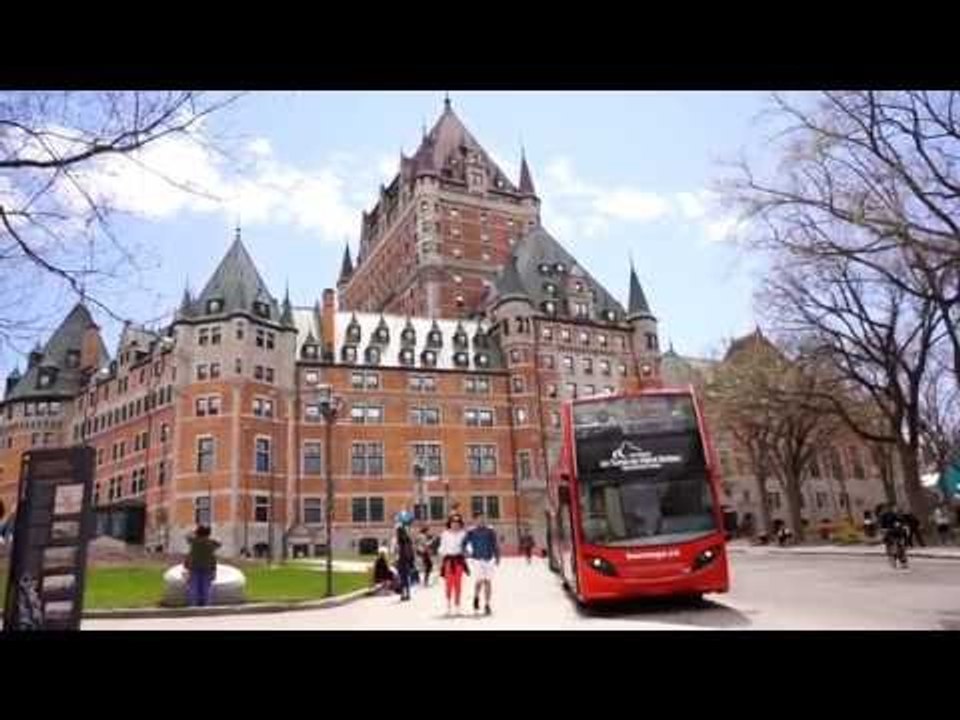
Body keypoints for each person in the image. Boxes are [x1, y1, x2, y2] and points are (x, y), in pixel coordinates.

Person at [464, 511, 500, 615]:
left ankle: (487, 604)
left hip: (489, 559)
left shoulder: (490, 531)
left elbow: (495, 544)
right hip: (477, 559)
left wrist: (497, 556)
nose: (482, 520)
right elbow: (464, 543)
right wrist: (465, 552)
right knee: (479, 581)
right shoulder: (471, 531)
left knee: (488, 581)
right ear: (475, 520)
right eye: (479, 518)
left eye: (483, 518)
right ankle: (476, 597)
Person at [438, 514, 469, 615]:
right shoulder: (445, 534)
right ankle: (448, 606)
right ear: (449, 524)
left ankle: (457, 607)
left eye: (457, 523)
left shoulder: (463, 534)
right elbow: (442, 548)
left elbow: (467, 547)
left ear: (460, 524)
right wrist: (441, 553)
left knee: (458, 584)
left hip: (459, 560)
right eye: (453, 523)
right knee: (448, 584)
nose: (455, 525)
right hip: (448, 561)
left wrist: (468, 551)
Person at [184, 525, 220, 607]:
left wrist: (193, 531)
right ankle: (206, 604)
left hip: (194, 566)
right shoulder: (211, 542)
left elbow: (186, 536)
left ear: (197, 532)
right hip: (208, 567)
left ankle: (193, 604)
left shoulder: (194, 541)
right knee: (206, 587)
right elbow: (219, 543)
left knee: (193, 586)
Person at [392, 512, 416, 601]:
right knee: (405, 577)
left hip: (403, 559)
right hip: (405, 560)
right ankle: (406, 593)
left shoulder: (402, 540)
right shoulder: (405, 539)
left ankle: (404, 594)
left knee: (403, 577)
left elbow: (396, 551)